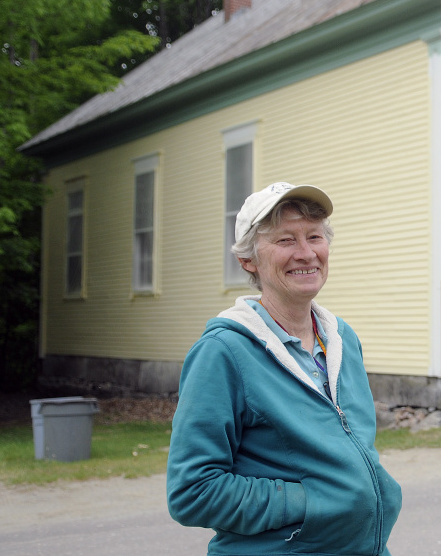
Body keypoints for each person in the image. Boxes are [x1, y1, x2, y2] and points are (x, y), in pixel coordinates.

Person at [167, 182, 401, 555]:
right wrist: (313, 502)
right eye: (285, 241)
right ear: (248, 260)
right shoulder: (223, 352)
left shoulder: (342, 340)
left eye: (315, 236)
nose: (306, 253)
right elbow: (193, 491)